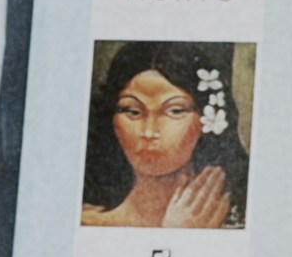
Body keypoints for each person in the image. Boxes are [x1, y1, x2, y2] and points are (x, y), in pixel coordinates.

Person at [79, 41, 249, 228]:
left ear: (207, 117)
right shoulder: (86, 224)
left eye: (175, 111)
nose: (149, 132)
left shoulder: (242, 221)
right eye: (133, 111)